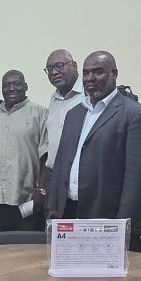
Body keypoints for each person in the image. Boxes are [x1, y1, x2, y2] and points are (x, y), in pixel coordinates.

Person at [46, 51, 141, 252]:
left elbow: (137, 179)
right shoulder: (75, 113)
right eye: (86, 73)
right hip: (68, 212)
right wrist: (53, 204)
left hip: (106, 217)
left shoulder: (136, 115)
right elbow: (61, 161)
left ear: (114, 73)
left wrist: (123, 225)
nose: (90, 78)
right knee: (69, 278)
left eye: (98, 72)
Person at [0, 70, 49, 234]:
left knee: (26, 252)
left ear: (25, 86)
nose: (11, 88)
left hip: (27, 199)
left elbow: (46, 156)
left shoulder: (40, 113)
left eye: (16, 84)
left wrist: (41, 190)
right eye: (6, 85)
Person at [38, 49, 84, 195]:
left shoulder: (88, 94)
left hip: (82, 181)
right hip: (55, 180)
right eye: (49, 69)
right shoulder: (54, 99)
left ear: (75, 66)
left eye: (59, 65)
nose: (54, 72)